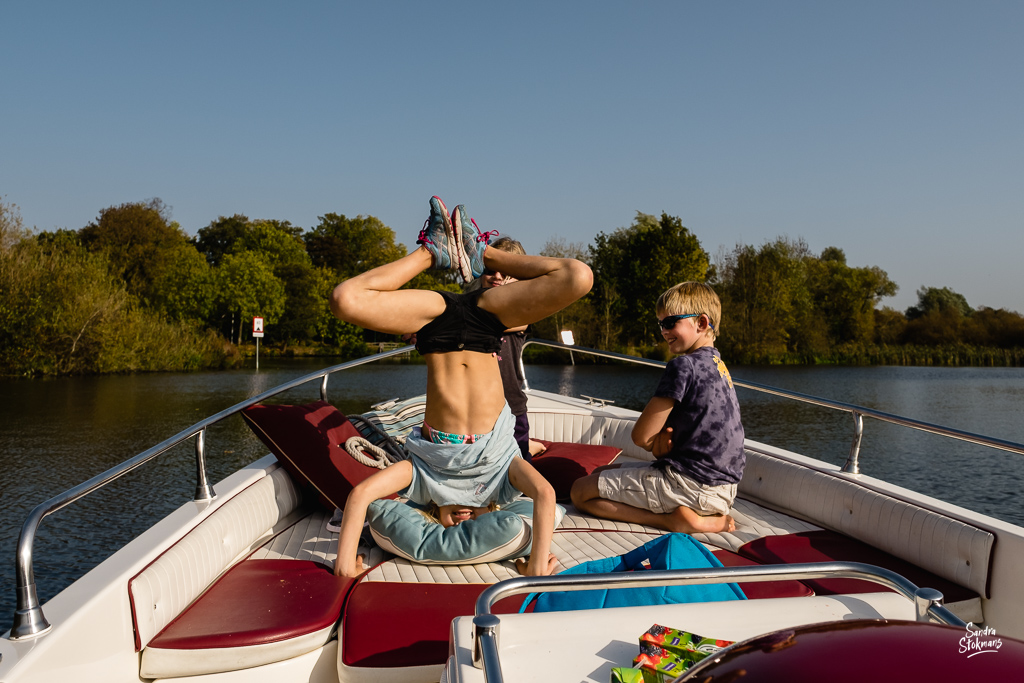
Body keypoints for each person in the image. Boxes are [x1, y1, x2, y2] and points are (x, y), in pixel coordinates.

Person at [330, 196, 593, 578]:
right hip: (489, 323)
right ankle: (479, 250)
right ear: (492, 510)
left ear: (433, 511)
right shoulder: (504, 476)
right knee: (579, 277)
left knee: (344, 299)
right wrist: (536, 568)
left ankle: (431, 251)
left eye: (454, 520)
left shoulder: (421, 478)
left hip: (434, 326)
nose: (463, 517)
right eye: (473, 517)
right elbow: (546, 495)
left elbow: (360, 496)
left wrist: (344, 564)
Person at [570, 281, 744, 534]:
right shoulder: (719, 366)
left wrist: (655, 443)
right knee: (601, 472)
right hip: (723, 491)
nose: (663, 331)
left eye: (669, 322)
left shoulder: (683, 366)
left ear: (702, 323)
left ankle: (672, 521)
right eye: (660, 324)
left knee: (580, 491)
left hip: (689, 486)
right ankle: (698, 513)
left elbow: (641, 436)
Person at [471, 236, 548, 460]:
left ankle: (528, 448)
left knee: (518, 471)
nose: (497, 277)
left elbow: (489, 321)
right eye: (490, 270)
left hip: (511, 406)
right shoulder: (467, 305)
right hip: (475, 408)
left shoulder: (522, 312)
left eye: (506, 273)